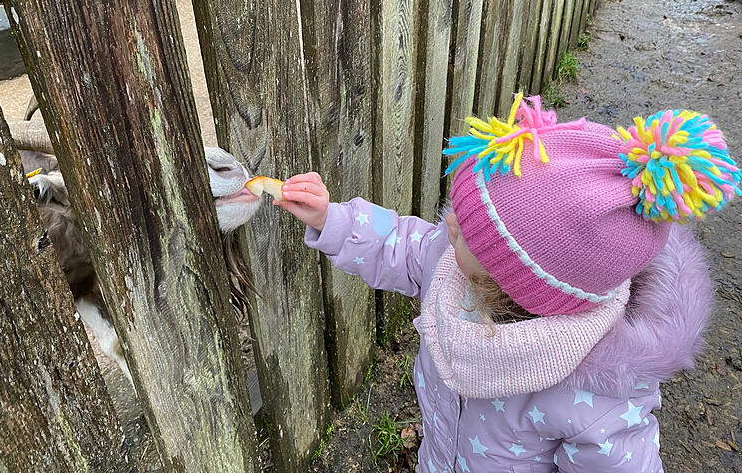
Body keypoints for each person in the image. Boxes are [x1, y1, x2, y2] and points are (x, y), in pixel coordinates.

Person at [275, 94, 741, 472]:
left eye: (472, 233)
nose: (451, 224)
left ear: (519, 284)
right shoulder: (454, 265)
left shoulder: (597, 404)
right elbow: (403, 244)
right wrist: (332, 219)